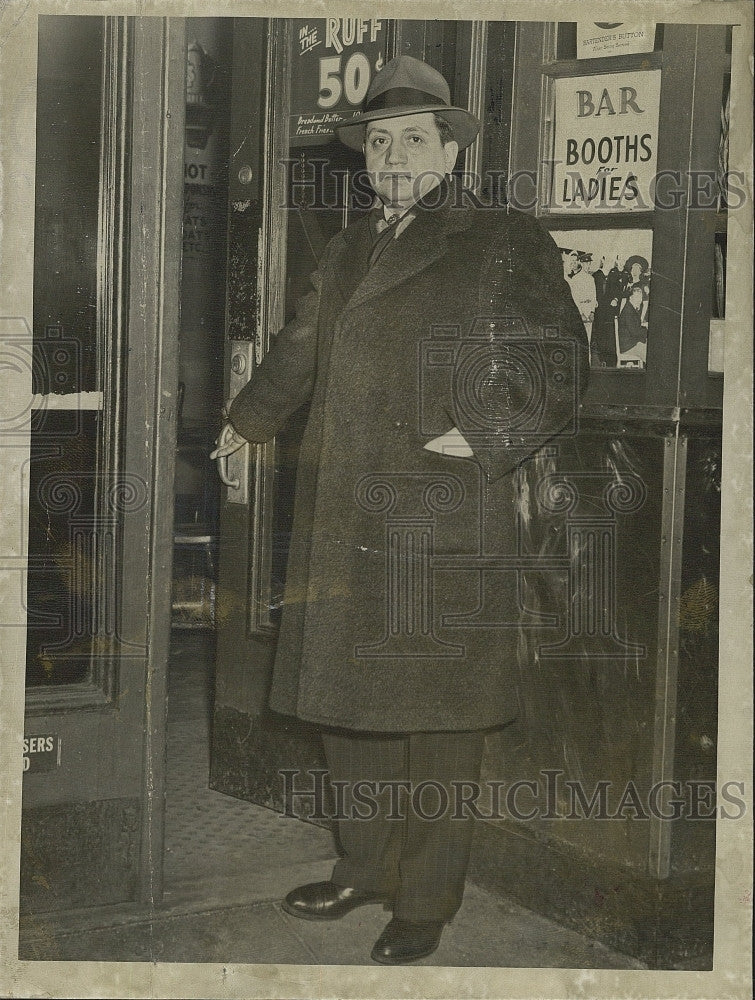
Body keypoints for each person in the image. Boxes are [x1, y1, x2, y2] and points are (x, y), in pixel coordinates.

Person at [211, 55, 589, 964]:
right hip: (346, 508)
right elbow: (301, 343)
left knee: (436, 719)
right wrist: (248, 422)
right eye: (377, 140)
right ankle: (362, 867)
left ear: (450, 150)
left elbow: (563, 354)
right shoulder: (350, 243)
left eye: (411, 139)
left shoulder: (498, 234)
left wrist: (489, 431)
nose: (390, 155)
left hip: (441, 512)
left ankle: (425, 898)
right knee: (347, 706)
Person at [617, 283, 648, 364]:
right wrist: (648, 332)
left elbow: (636, 328)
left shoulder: (632, 308)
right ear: (631, 298)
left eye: (641, 297)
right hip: (628, 346)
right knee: (651, 354)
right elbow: (635, 332)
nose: (640, 300)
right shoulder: (628, 311)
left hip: (632, 343)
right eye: (637, 297)